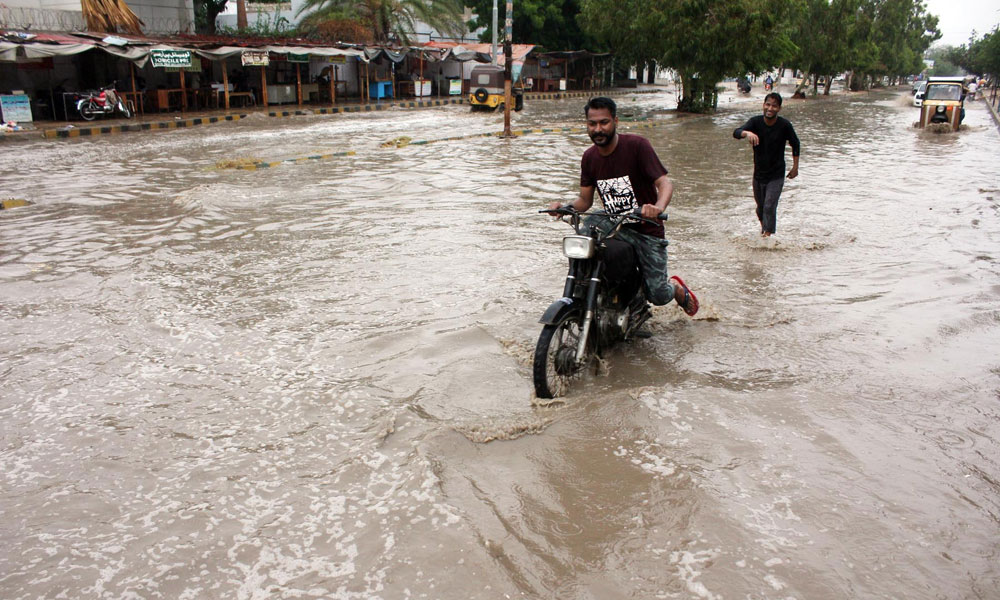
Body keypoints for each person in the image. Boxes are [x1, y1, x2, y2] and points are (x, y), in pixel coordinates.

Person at [546, 96, 699, 318]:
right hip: (613, 222)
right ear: (587, 125)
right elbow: (585, 201)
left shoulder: (637, 146)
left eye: (604, 122)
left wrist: (656, 207)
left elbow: (664, 183)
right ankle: (583, 293)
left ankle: (674, 288)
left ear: (615, 121)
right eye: (592, 124)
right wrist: (564, 207)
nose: (598, 129)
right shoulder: (589, 158)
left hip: (646, 228)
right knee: (584, 232)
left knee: (657, 295)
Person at [733, 92, 800, 237]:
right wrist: (747, 134)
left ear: (779, 109)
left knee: (769, 206)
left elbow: (795, 143)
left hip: (776, 174)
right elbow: (736, 132)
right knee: (760, 208)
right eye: (768, 104)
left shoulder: (784, 125)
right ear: (763, 105)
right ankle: (765, 228)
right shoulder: (755, 123)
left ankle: (767, 238)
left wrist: (795, 167)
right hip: (758, 174)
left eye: (774, 106)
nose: (770, 108)